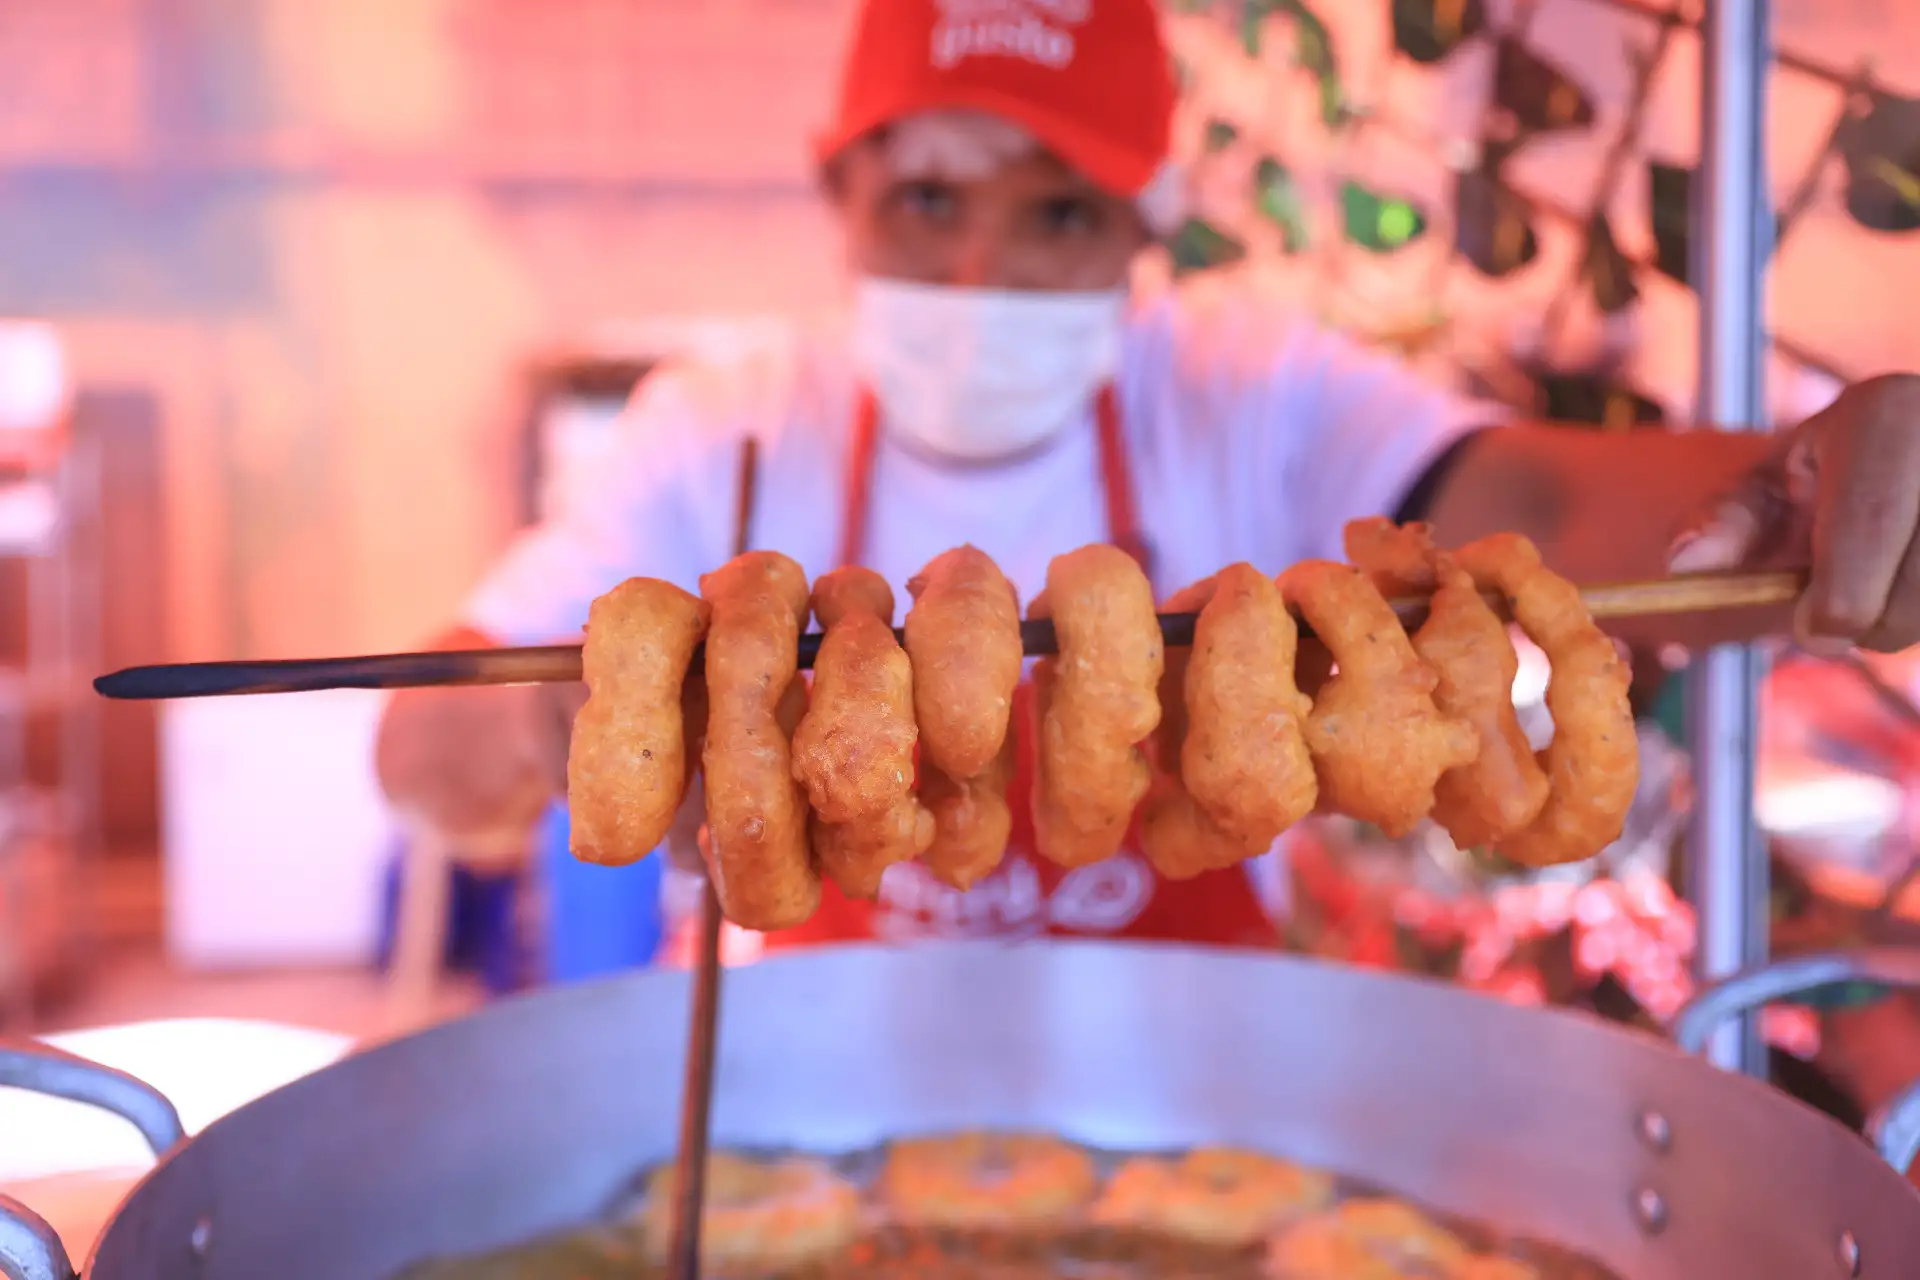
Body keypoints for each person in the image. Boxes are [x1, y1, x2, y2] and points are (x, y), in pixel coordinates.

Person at [377, 0, 1920, 950]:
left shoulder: (1245, 387)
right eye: (927, 195)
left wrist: (1807, 489)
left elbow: (1566, 527)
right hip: (808, 1106)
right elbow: (421, 763)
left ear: (1141, 231)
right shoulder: (716, 435)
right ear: (837, 189)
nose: (980, 265)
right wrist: (549, 717)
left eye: (1056, 215)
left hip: (1205, 1101)